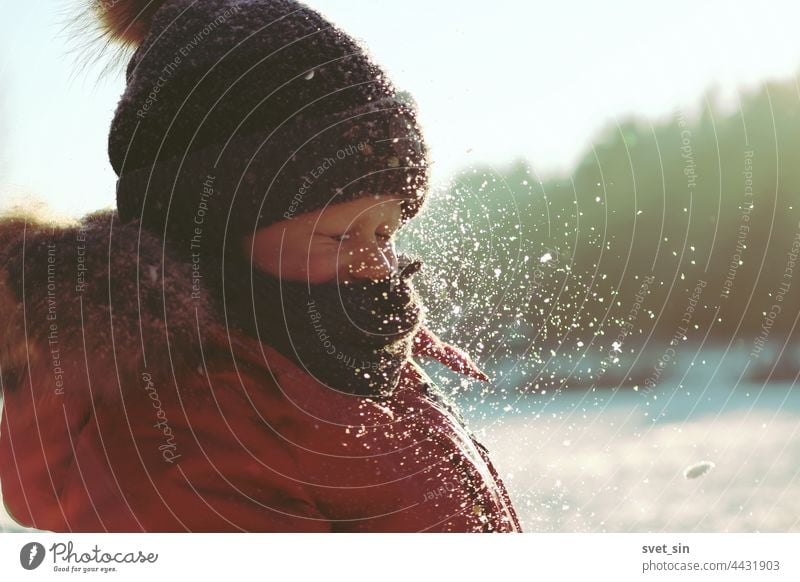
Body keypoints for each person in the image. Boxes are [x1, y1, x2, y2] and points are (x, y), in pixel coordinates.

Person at [0, 0, 521, 532]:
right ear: (218, 233)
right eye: (340, 235)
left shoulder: (343, 355)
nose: (377, 265)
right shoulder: (190, 431)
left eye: (385, 233)